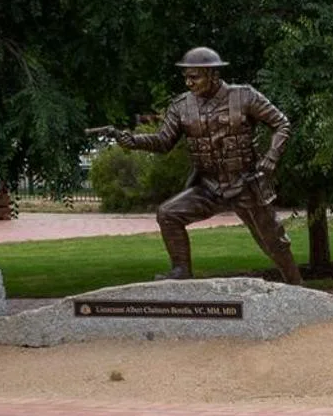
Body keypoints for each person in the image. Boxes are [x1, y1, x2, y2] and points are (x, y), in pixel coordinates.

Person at [92, 47, 303, 285]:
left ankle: (298, 288)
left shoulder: (245, 96)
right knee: (168, 214)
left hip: (245, 183)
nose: (189, 82)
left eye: (195, 77)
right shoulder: (181, 106)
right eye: (186, 77)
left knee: (273, 242)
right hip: (209, 186)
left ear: (213, 75)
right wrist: (134, 141)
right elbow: (163, 141)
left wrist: (272, 156)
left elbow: (281, 124)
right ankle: (181, 270)